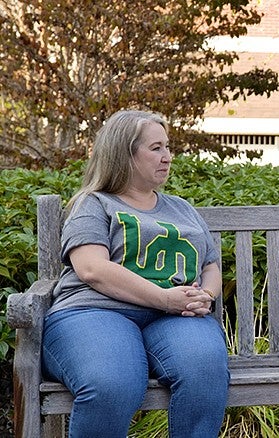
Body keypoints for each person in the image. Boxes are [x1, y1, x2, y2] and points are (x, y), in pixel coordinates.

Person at [41, 110, 229, 437]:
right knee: (112, 383)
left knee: (205, 371)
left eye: (168, 148)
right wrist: (165, 298)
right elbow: (91, 267)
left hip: (177, 316)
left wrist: (206, 296)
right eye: (156, 148)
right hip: (94, 312)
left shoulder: (182, 208)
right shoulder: (94, 203)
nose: (167, 157)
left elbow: (210, 266)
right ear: (124, 153)